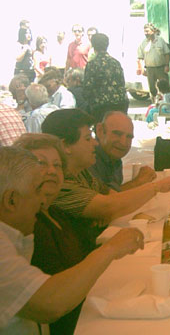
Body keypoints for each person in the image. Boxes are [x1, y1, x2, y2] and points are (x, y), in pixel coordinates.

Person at [0, 146, 143, 335]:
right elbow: (49, 302)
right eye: (37, 191)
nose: (43, 200)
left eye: (57, 165)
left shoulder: (15, 234)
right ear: (11, 200)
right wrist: (110, 249)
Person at [41, 109, 170, 249]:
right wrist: (156, 187)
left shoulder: (81, 172)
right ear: (66, 146)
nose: (94, 143)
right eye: (87, 138)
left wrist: (107, 209)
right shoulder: (59, 183)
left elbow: (113, 198)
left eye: (129, 137)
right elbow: (109, 206)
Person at [12, 134, 92, 335]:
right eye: (41, 163)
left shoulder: (56, 213)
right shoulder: (23, 224)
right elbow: (48, 304)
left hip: (85, 313)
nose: (51, 171)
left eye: (57, 165)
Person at [92, 111, 157, 192]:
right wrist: (138, 182)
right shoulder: (89, 160)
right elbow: (102, 201)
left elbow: (112, 191)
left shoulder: (113, 157)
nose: (123, 142)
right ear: (100, 131)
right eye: (117, 134)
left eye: (129, 137)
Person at [83, 33, 128, 121]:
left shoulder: (92, 64)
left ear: (93, 45)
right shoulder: (115, 62)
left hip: (101, 107)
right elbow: (122, 83)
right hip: (120, 104)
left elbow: (87, 88)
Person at [136, 23, 170, 99]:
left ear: (153, 31)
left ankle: (167, 104)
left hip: (161, 68)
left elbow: (167, 53)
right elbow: (140, 57)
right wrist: (142, 69)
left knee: (165, 88)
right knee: (152, 89)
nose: (145, 33)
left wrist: (167, 65)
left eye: (147, 31)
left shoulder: (160, 40)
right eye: (144, 31)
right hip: (150, 69)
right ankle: (155, 105)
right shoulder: (143, 43)